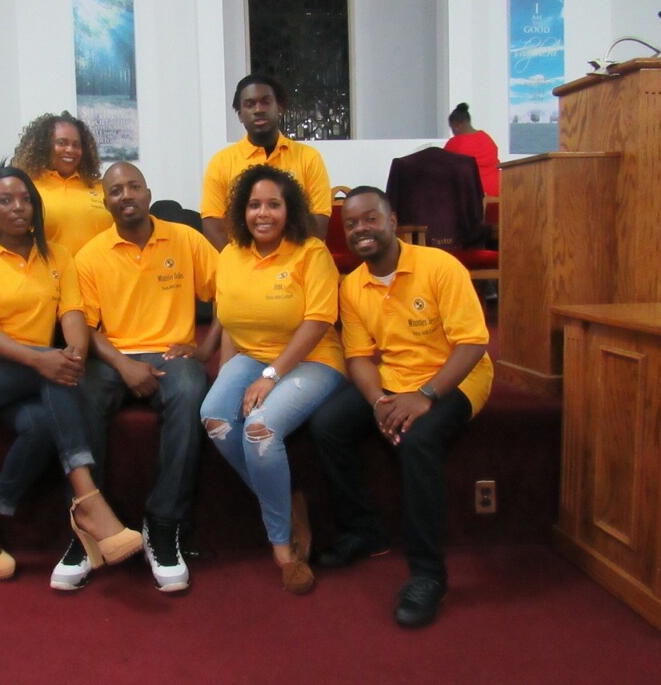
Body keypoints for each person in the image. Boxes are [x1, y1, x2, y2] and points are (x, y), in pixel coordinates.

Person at [0, 164, 142, 583]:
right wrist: (42, 361)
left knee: (41, 425)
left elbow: (72, 314)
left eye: (25, 199)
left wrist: (74, 355)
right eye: (5, 200)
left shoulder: (59, 256)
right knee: (55, 372)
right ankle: (88, 500)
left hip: (31, 372)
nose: (18, 207)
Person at [307, 186, 493, 627]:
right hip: (395, 379)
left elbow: (473, 344)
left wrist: (426, 396)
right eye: (351, 224)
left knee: (418, 439)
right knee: (327, 424)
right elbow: (358, 357)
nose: (361, 229)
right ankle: (363, 531)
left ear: (392, 221)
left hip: (457, 377)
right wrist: (377, 401)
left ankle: (428, 573)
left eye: (370, 218)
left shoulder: (439, 266)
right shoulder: (353, 286)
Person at [51, 162, 220, 592]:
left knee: (191, 388)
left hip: (172, 354)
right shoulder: (90, 255)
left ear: (148, 193)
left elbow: (231, 292)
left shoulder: (186, 239)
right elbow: (86, 326)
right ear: (106, 203)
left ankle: (163, 524)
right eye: (115, 191)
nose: (125, 195)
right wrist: (124, 365)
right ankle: (87, 525)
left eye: (133, 187)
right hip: (113, 356)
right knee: (77, 394)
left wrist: (204, 351)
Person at [200, 164, 346, 595]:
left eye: (273, 205)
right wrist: (227, 376)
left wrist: (271, 375)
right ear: (241, 212)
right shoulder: (230, 256)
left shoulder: (311, 253)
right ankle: (287, 502)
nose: (263, 214)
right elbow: (230, 321)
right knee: (215, 417)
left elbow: (318, 321)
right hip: (252, 356)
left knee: (259, 430)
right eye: (254, 205)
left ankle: (283, 548)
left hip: (313, 359)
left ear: (289, 209)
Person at [201, 74, 332, 250]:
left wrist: (284, 259)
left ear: (279, 108)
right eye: (250, 104)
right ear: (240, 115)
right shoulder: (221, 162)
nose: (258, 110)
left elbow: (319, 222)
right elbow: (212, 224)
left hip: (299, 261)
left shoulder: (309, 158)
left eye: (265, 102)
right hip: (242, 262)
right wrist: (241, 260)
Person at [12, 111, 113, 255]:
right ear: (44, 146)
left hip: (99, 269)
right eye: (62, 143)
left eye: (76, 145)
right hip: (47, 269)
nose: (70, 150)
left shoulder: (102, 187)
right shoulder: (27, 187)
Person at [444, 102, 500, 197]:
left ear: (458, 125)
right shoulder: (486, 138)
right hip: (496, 193)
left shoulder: (454, 143)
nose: (453, 131)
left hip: (471, 195)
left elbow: (443, 167)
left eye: (452, 127)